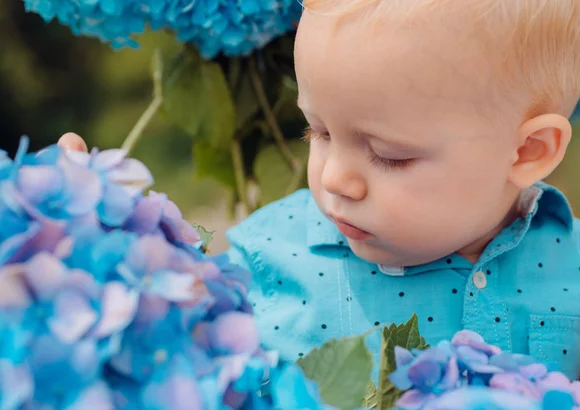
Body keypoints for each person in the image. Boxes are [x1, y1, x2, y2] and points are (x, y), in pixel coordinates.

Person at [59, 0, 580, 381]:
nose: (333, 179)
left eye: (389, 154)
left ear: (528, 152)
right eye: (318, 132)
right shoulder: (266, 260)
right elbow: (174, 359)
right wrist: (98, 252)